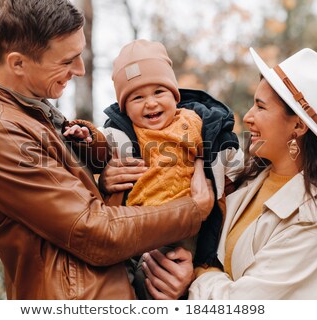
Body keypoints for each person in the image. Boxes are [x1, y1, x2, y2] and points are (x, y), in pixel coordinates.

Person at [0, 0, 214, 300]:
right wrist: (193, 210)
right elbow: (93, 232)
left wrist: (106, 181)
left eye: (79, 56)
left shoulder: (38, 118)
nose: (80, 70)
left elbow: (72, 211)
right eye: (67, 61)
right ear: (18, 63)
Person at [137, 47, 317, 299]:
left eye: (260, 107)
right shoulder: (248, 176)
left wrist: (195, 277)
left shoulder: (313, 223)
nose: (248, 117)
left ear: (298, 126)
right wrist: (110, 173)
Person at [98, 39, 242, 299]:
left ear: (175, 96)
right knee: (134, 276)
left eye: (158, 93)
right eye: (137, 97)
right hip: (140, 225)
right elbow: (90, 162)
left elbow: (232, 165)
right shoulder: (120, 135)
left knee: (172, 266)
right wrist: (103, 179)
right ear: (125, 109)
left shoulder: (194, 123)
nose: (150, 103)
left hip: (187, 223)